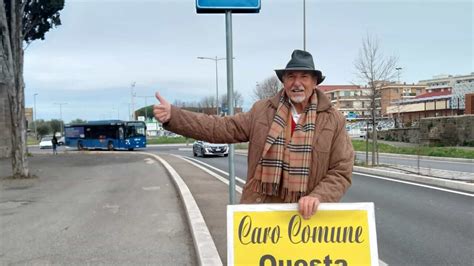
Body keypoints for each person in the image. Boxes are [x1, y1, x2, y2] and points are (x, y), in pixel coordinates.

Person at [153, 50, 354, 219]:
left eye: (304, 76)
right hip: (262, 215)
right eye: (291, 77)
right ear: (283, 82)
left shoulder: (333, 119)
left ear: (315, 82)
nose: (297, 83)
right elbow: (219, 127)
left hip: (307, 218)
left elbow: (341, 170)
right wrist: (175, 116)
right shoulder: (262, 111)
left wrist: (319, 196)